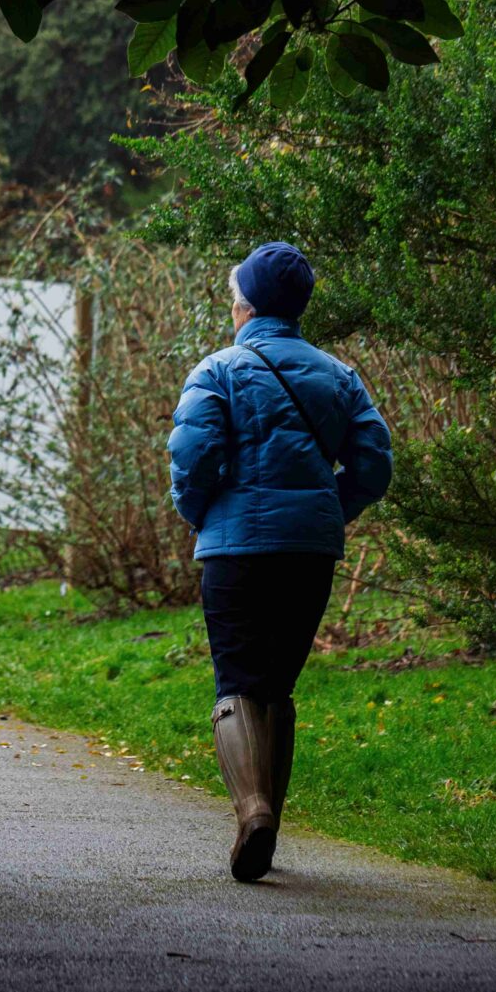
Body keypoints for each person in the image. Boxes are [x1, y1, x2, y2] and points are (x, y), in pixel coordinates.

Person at [169, 241, 392, 882]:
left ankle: (254, 810)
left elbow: (191, 460)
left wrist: (201, 513)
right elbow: (375, 466)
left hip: (236, 550)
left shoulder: (216, 371)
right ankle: (267, 821)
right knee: (277, 685)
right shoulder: (338, 375)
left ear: (245, 306)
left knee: (237, 677)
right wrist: (326, 509)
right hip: (309, 552)